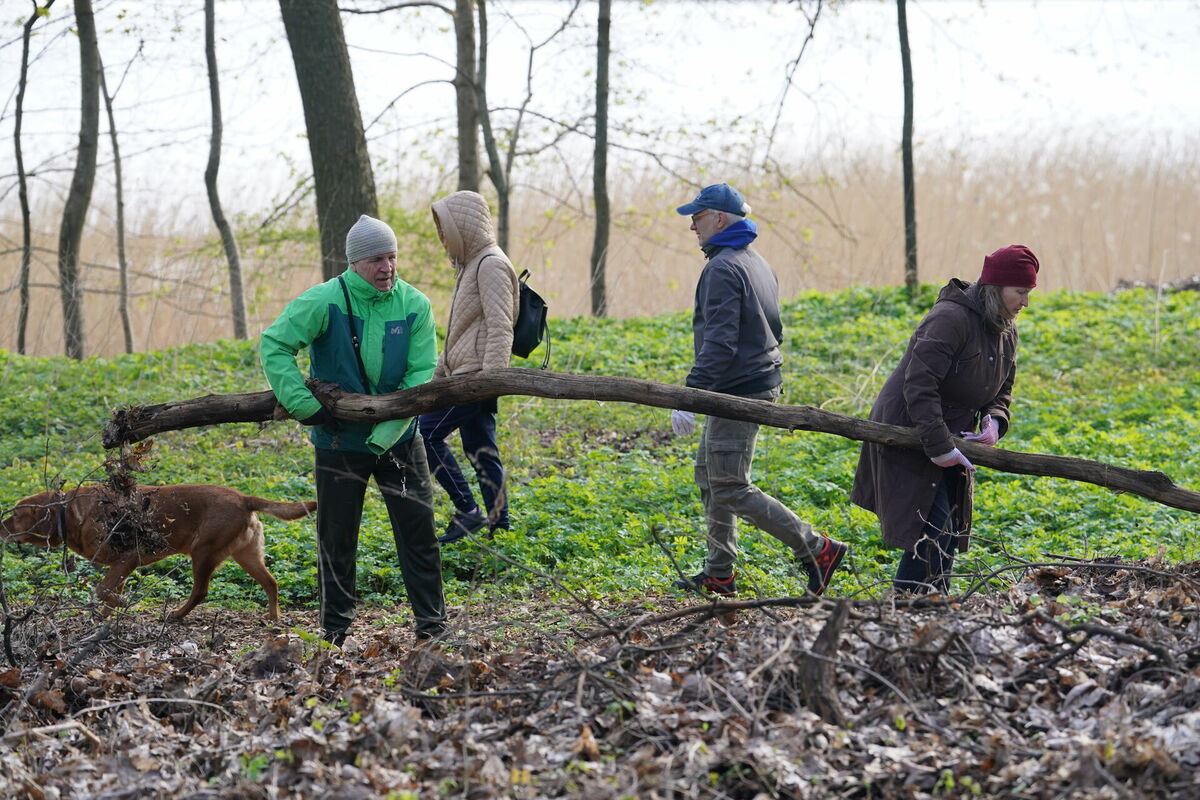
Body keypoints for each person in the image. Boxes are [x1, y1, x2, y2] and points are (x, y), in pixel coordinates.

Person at [260, 214, 446, 645]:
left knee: (419, 535)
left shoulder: (415, 304)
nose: (388, 267)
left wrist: (384, 433)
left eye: (392, 257)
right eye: (377, 259)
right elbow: (275, 344)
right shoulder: (325, 301)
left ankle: (432, 629)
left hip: (399, 440)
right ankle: (334, 634)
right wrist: (304, 406)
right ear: (355, 263)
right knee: (336, 540)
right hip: (337, 440)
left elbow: (420, 376)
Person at [669, 183, 850, 597]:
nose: (692, 227)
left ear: (718, 219)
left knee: (730, 485)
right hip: (746, 384)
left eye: (697, 218)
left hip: (738, 390)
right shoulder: (754, 261)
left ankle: (819, 549)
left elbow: (720, 342)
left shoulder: (723, 268)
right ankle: (719, 574)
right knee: (710, 477)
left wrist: (689, 395)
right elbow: (776, 330)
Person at [851, 244, 1039, 594]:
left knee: (948, 532)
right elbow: (919, 385)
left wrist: (994, 421)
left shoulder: (1007, 329)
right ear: (996, 288)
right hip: (908, 430)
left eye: (1029, 292)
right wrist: (939, 447)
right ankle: (906, 610)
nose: (1026, 301)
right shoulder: (950, 319)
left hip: (952, 436)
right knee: (930, 530)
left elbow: (1003, 388)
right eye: (1021, 292)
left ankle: (929, 610)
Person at [418, 191, 520, 544]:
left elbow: (500, 324)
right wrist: (439, 378)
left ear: (464, 227)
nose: (443, 239)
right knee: (482, 451)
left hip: (477, 378)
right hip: (466, 375)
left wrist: (490, 381)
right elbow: (463, 332)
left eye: (446, 230)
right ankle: (500, 527)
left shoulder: (490, 264)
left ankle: (468, 510)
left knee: (424, 435)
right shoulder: (472, 265)